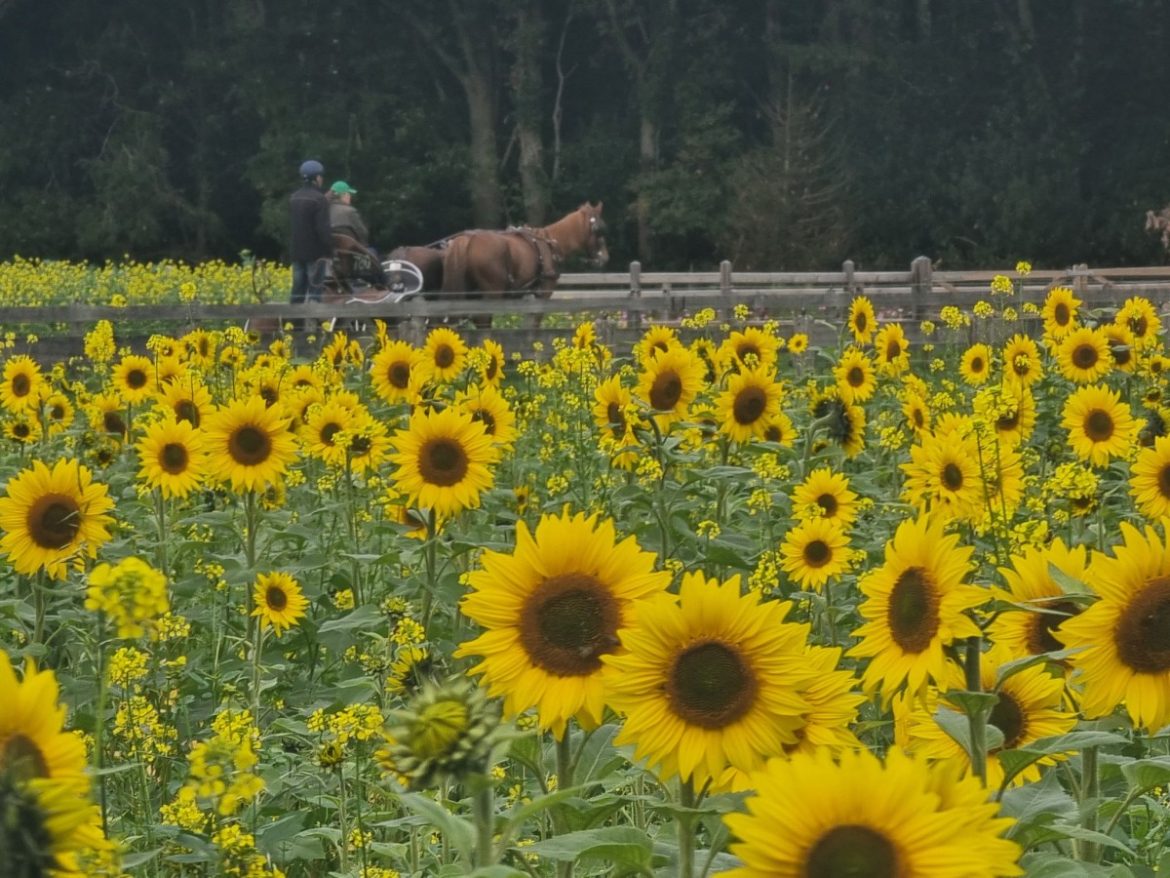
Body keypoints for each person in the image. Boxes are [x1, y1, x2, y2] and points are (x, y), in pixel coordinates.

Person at [289, 159, 333, 314]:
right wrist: (329, 251)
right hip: (315, 254)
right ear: (317, 178)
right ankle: (312, 325)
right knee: (314, 292)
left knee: (297, 291)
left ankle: (292, 322)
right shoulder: (319, 199)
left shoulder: (294, 198)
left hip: (296, 252)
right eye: (321, 176)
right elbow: (323, 229)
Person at [328, 180, 386, 285]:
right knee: (374, 252)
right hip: (352, 254)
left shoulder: (324, 211)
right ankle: (384, 284)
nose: (350, 197)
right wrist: (363, 245)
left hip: (332, 254)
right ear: (344, 195)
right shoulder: (350, 211)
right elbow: (363, 233)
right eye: (349, 194)